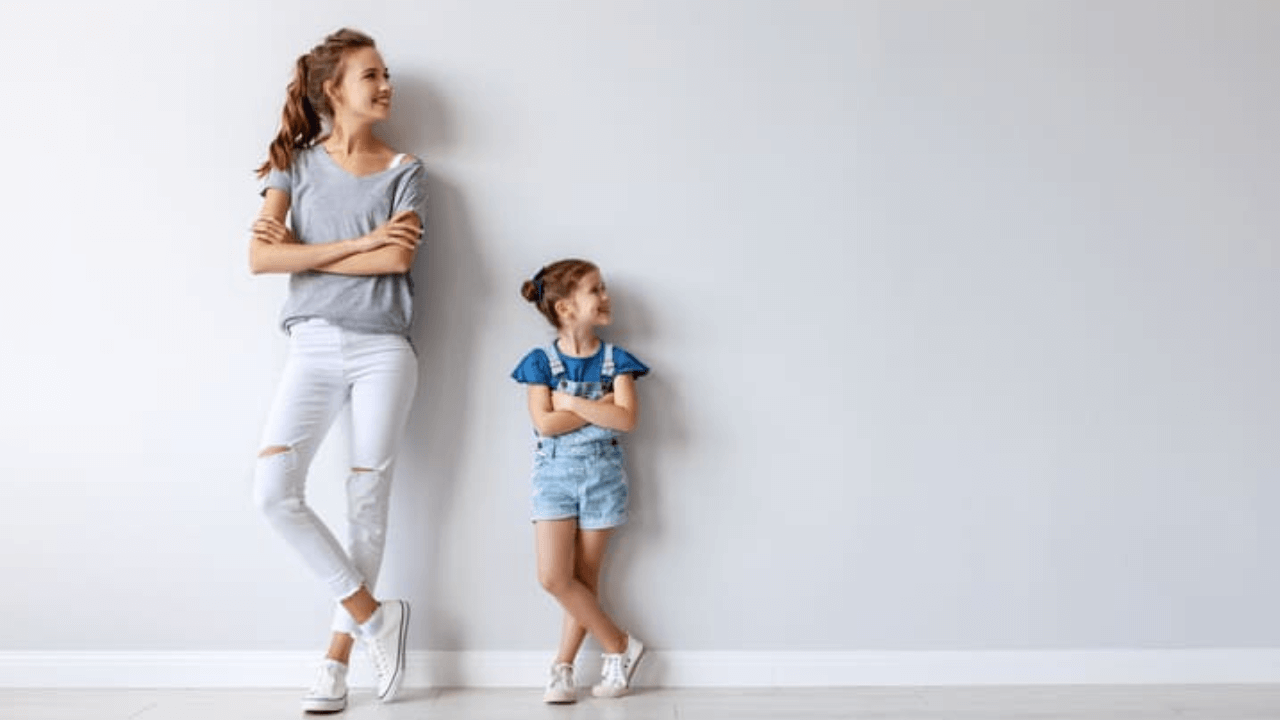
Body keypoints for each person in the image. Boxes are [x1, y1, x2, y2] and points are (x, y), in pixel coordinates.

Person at [249, 28, 426, 713]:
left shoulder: (408, 168)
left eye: (386, 75)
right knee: (272, 492)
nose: (385, 86)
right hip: (313, 347)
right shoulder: (292, 162)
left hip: (385, 348)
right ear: (334, 89)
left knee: (365, 508)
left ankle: (334, 665)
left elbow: (396, 263)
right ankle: (376, 616)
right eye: (371, 76)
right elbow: (261, 260)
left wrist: (310, 252)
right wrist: (359, 241)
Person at [511, 259, 650, 703]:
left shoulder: (618, 360)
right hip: (553, 477)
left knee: (584, 580)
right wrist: (596, 406)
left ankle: (563, 667)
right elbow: (544, 425)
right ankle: (619, 644)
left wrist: (568, 401)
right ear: (567, 308)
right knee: (554, 577)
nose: (606, 297)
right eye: (596, 290)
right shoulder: (539, 362)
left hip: (603, 479)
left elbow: (625, 419)